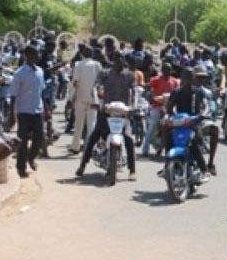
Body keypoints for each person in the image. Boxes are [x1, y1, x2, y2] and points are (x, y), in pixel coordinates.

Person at [76, 52, 136, 180]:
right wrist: (97, 101)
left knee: (129, 139)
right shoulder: (104, 73)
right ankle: (82, 166)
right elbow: (96, 87)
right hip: (106, 111)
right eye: (116, 59)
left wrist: (133, 106)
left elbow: (133, 91)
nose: (119, 62)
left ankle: (132, 170)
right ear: (112, 60)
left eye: (121, 59)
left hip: (123, 113)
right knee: (93, 137)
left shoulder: (129, 75)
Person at [164, 67, 211, 178]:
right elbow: (170, 107)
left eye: (190, 77)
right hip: (179, 122)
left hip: (194, 122)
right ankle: (167, 165)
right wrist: (168, 116)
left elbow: (206, 105)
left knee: (194, 142)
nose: (187, 79)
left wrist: (203, 114)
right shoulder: (176, 92)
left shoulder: (198, 92)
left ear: (193, 78)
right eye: (185, 77)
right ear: (182, 78)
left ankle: (204, 169)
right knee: (169, 137)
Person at [9, 45, 45, 178]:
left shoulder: (40, 71)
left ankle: (31, 158)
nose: (38, 56)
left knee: (39, 138)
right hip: (23, 112)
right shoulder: (20, 73)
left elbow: (41, 92)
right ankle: (21, 168)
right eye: (35, 54)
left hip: (37, 111)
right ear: (28, 56)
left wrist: (45, 109)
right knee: (22, 142)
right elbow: (13, 94)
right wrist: (11, 115)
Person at [69, 46, 103, 154]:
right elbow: (101, 81)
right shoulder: (97, 65)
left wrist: (72, 96)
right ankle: (90, 147)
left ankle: (75, 147)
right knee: (92, 123)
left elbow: (75, 82)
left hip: (81, 97)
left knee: (78, 123)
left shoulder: (78, 65)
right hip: (93, 98)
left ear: (82, 53)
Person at [142, 62, 179, 157]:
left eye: (169, 69)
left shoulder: (174, 81)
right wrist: (150, 95)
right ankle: (145, 149)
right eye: (165, 69)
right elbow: (148, 88)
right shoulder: (155, 79)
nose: (167, 71)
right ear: (162, 70)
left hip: (169, 107)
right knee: (152, 125)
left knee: (175, 125)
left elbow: (178, 92)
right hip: (156, 105)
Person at [190, 66, 220, 174]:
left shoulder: (206, 92)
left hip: (200, 120)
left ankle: (210, 163)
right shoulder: (185, 88)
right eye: (198, 77)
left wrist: (205, 114)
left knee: (215, 129)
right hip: (185, 120)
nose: (201, 80)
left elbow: (209, 106)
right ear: (193, 77)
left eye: (203, 77)